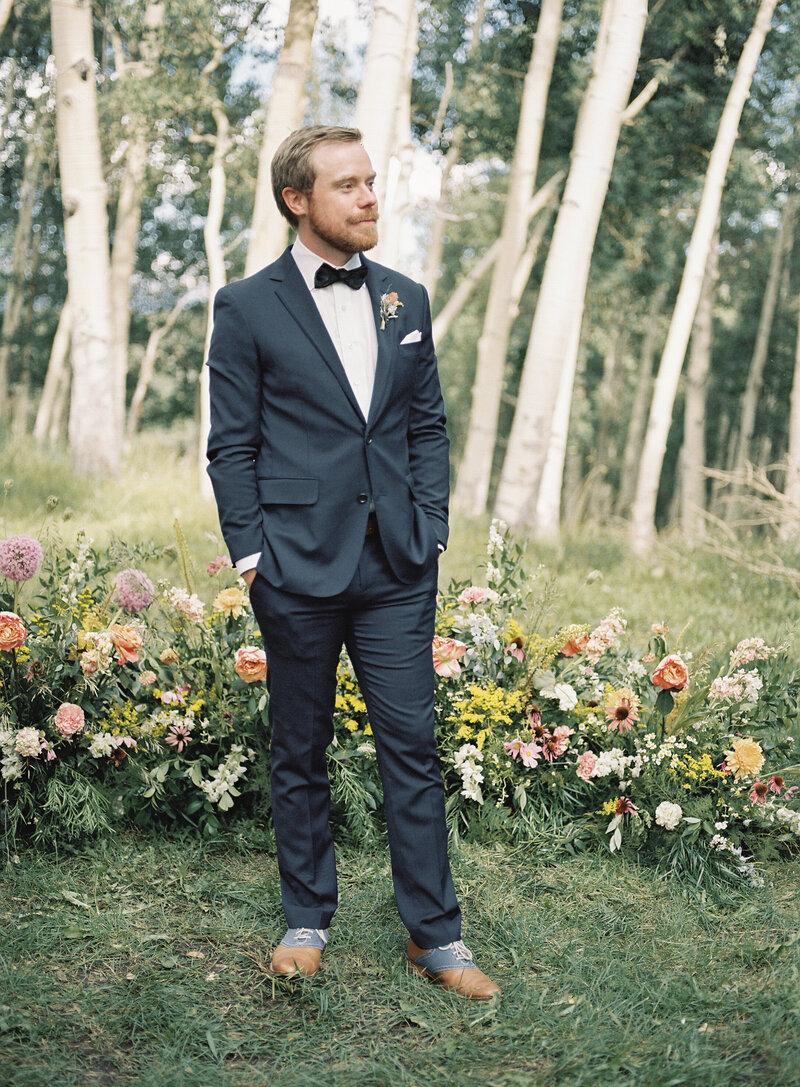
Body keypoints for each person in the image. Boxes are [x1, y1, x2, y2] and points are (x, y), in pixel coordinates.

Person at [206, 125, 500, 1001]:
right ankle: (306, 917)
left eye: (372, 181)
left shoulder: (406, 299)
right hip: (293, 563)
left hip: (400, 564)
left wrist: (434, 523)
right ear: (298, 200)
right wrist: (253, 554)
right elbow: (232, 447)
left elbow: (425, 424)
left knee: (412, 745)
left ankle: (436, 938)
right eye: (349, 185)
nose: (371, 197)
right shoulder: (247, 304)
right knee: (299, 745)